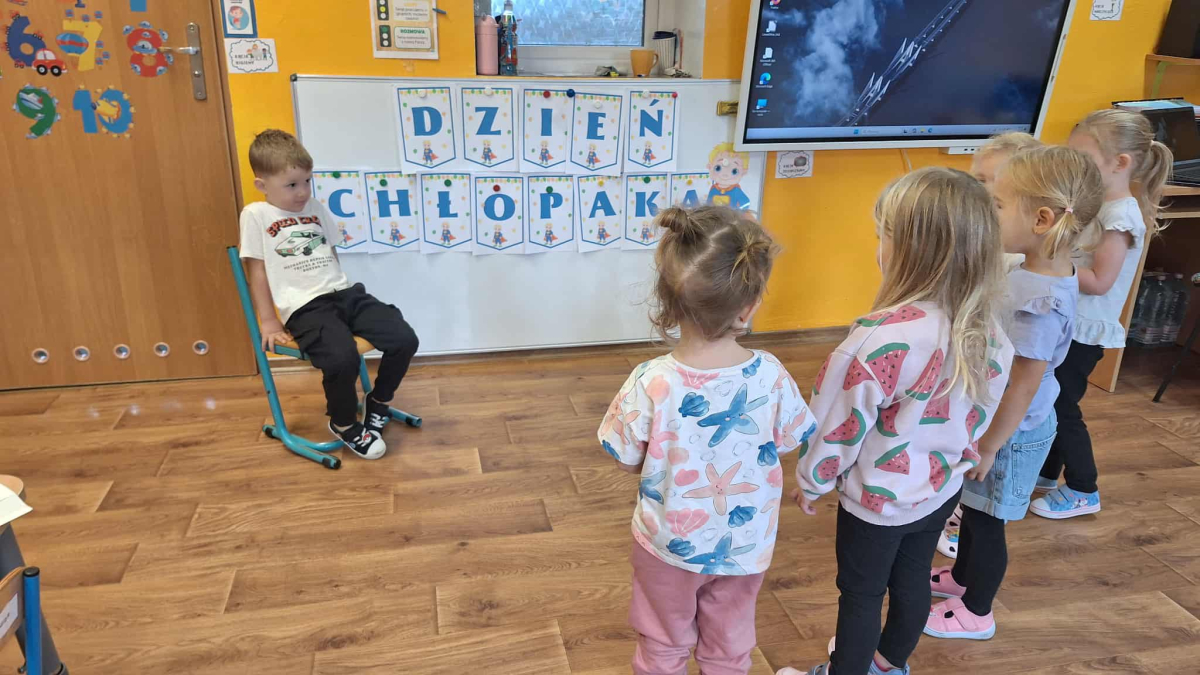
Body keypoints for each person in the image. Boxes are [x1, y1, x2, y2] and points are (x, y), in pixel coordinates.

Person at [777, 168, 1013, 675]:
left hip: (875, 503)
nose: (877, 247)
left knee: (860, 595)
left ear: (908, 250)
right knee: (911, 580)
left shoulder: (875, 340)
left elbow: (834, 425)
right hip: (940, 488)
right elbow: (983, 409)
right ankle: (889, 665)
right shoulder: (988, 330)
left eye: (882, 234)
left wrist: (811, 481)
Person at [598, 205, 814, 675]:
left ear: (667, 301)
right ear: (749, 306)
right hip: (745, 546)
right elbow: (789, 441)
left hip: (666, 546)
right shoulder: (772, 376)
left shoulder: (650, 380)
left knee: (662, 642)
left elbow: (625, 457)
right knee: (730, 646)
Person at [924, 146, 1104, 641]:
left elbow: (1023, 383)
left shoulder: (1040, 301)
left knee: (987, 522)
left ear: (1042, 219)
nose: (990, 211)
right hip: (1001, 424)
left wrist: (989, 445)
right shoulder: (1033, 271)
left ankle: (976, 611)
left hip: (1012, 432)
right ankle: (963, 579)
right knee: (976, 511)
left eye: (999, 204)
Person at [239, 129, 419, 460]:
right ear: (262, 185)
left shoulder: (315, 207)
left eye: (307, 181)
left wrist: (344, 296)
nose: (303, 191)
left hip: (344, 294)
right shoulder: (256, 215)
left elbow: (330, 253)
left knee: (404, 338)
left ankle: (378, 401)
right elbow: (257, 271)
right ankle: (344, 422)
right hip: (306, 307)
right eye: (291, 185)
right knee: (341, 358)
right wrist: (268, 321)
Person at [1031, 109, 1173, 519]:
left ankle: (1083, 488)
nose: (1074, 167)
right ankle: (1047, 473)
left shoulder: (1121, 215)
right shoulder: (1099, 205)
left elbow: (1100, 281)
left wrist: (1048, 267)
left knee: (1061, 407)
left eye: (1083, 159)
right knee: (1053, 400)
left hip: (1083, 332)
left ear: (1119, 162)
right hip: (1067, 324)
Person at [938, 131, 1044, 560]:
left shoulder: (1017, 261)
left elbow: (1023, 373)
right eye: (976, 180)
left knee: (985, 503)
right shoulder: (989, 244)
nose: (979, 193)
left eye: (991, 186)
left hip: (998, 400)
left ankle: (966, 554)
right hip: (975, 380)